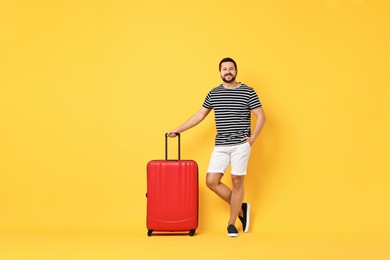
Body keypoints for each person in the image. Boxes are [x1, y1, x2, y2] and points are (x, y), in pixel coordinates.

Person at [167, 57, 266, 237]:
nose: (228, 72)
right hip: (221, 144)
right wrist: (178, 129)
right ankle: (241, 210)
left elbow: (261, 116)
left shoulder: (248, 92)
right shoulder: (214, 93)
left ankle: (231, 222)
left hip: (240, 145)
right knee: (211, 181)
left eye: (231, 69)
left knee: (237, 180)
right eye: (224, 69)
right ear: (220, 72)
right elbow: (199, 115)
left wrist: (252, 139)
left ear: (236, 71)